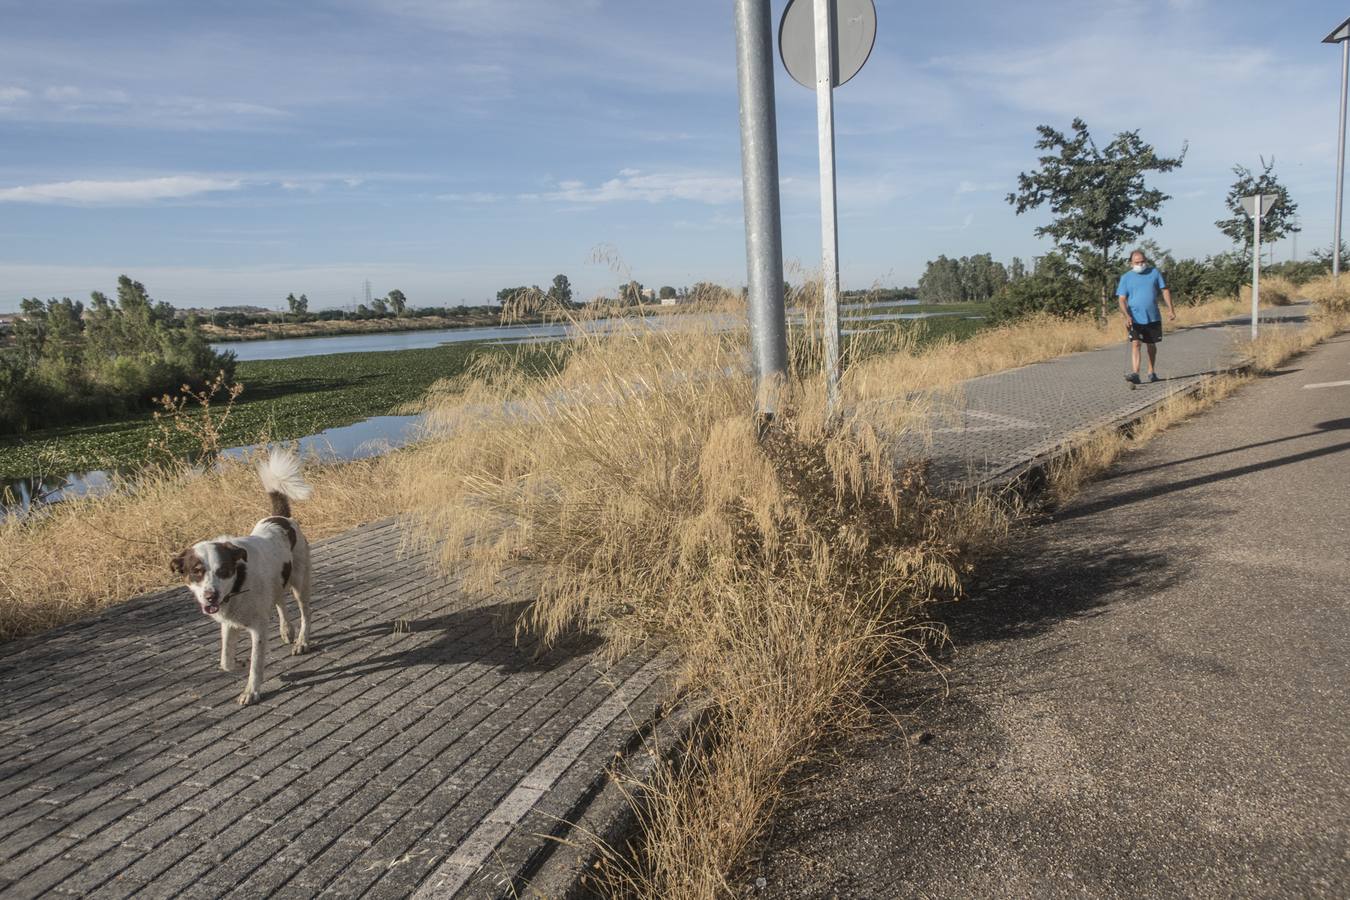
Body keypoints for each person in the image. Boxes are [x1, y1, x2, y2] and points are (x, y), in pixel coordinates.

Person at [1117, 249, 1175, 384]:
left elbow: (1165, 290)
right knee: (1136, 344)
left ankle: (1151, 371)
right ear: (1131, 263)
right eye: (1137, 262)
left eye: (1142, 261)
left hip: (1152, 316)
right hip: (1134, 317)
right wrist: (1127, 315)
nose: (1140, 264)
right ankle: (1135, 373)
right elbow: (1121, 299)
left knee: (1151, 345)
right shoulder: (1126, 278)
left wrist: (1171, 309)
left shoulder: (1154, 273)